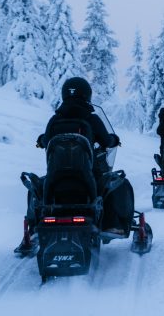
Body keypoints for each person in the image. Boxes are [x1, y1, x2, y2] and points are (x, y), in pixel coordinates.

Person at [15, 77, 134, 253]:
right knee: (117, 184)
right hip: (87, 177)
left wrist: (41, 141)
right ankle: (112, 225)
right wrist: (113, 140)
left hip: (55, 180)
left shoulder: (54, 120)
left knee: (36, 187)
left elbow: (46, 140)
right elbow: (107, 140)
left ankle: (33, 230)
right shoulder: (91, 119)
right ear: (87, 95)